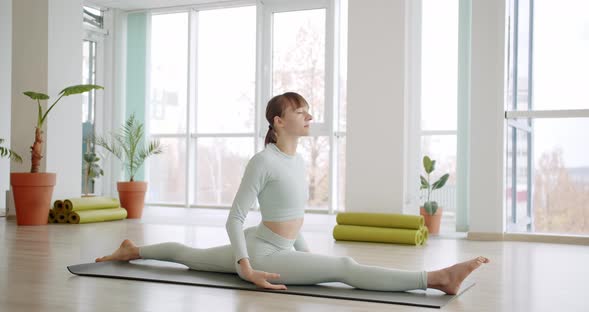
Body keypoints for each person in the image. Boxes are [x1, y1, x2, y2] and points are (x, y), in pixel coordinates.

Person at [96, 92, 489, 294]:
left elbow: (292, 216)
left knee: (190, 256)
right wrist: (246, 266)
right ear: (278, 121)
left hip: (273, 245)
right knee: (345, 268)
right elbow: (234, 218)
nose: (310, 116)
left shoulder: (298, 161)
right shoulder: (262, 161)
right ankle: (436, 278)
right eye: (301, 111)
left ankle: (133, 250)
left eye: (309, 111)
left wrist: (304, 257)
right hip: (262, 250)